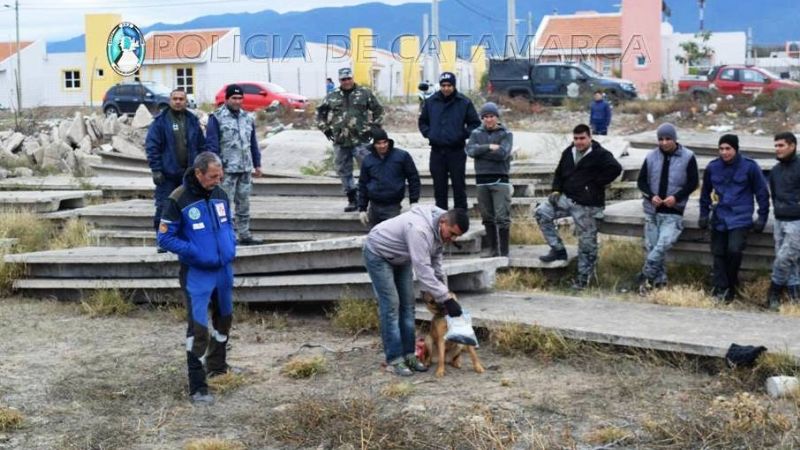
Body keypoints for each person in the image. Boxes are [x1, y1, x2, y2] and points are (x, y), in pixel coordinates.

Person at [157, 152, 237, 405]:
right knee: (199, 329)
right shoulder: (178, 199)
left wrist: (229, 245)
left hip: (223, 270)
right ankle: (197, 386)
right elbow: (164, 238)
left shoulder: (220, 194)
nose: (218, 180)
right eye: (213, 176)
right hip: (197, 274)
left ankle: (217, 366)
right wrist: (195, 251)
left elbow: (227, 226)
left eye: (220, 176)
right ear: (199, 173)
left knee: (224, 320)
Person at [363, 206, 469, 376]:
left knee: (408, 305)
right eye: (452, 233)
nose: (453, 238)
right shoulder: (420, 230)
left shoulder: (441, 231)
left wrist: (445, 295)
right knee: (391, 305)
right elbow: (423, 270)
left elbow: (437, 266)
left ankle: (409, 355)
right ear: (443, 222)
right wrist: (446, 298)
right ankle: (395, 359)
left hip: (402, 255)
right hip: (379, 253)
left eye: (457, 236)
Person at [535, 124, 622, 289]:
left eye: (582, 138)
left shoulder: (600, 154)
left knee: (587, 243)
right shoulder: (569, 152)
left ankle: (584, 280)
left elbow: (616, 169)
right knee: (541, 212)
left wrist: (595, 184)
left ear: (590, 137)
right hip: (566, 198)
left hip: (588, 205)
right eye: (576, 138)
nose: (579, 142)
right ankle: (558, 249)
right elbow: (559, 172)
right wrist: (556, 190)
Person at [699, 134, 769, 303]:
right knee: (718, 253)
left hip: (740, 217)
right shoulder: (713, 167)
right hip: (720, 216)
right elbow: (705, 193)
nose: (724, 152)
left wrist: (762, 217)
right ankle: (721, 289)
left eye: (728, 149)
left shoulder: (750, 167)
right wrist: (703, 214)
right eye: (721, 149)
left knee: (734, 250)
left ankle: (730, 285)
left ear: (736, 149)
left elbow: (762, 193)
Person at [634, 123, 699, 293]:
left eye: (668, 139)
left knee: (662, 245)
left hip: (673, 211)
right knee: (652, 247)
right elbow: (641, 182)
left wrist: (676, 197)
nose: (664, 143)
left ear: (675, 139)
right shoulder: (650, 157)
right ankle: (659, 284)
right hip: (652, 211)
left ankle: (645, 274)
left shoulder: (688, 157)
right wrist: (650, 195)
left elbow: (693, 183)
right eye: (661, 139)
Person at [316, 67, 384, 212]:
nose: (346, 81)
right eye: (343, 79)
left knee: (369, 169)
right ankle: (352, 198)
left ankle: (368, 198)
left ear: (352, 78)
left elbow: (378, 110)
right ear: (339, 80)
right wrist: (325, 128)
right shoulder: (332, 95)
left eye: (348, 78)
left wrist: (374, 128)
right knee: (343, 170)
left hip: (361, 139)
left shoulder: (364, 93)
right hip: (341, 140)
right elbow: (320, 114)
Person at [145, 88, 206, 248]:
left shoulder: (192, 120)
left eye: (181, 99)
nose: (178, 102)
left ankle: (189, 239)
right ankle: (162, 241)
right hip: (167, 175)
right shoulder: (160, 121)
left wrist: (201, 169)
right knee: (164, 207)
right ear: (170, 100)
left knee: (191, 207)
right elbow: (152, 146)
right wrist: (156, 169)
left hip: (189, 175)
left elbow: (201, 146)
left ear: (186, 101)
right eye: (175, 99)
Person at [206, 84, 264, 246]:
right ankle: (225, 237)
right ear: (227, 99)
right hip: (226, 170)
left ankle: (244, 234)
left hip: (245, 168)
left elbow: (253, 143)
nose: (237, 101)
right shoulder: (216, 117)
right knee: (223, 206)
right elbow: (212, 145)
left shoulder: (247, 118)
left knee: (244, 204)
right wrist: (216, 170)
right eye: (234, 98)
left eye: (240, 98)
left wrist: (257, 164)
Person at [418, 72, 481, 210]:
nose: (446, 88)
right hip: (437, 152)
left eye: (449, 85)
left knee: (459, 186)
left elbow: (475, 123)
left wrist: (461, 134)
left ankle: (460, 217)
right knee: (439, 187)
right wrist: (430, 134)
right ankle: (441, 219)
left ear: (454, 85)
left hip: (456, 151)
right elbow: (422, 122)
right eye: (443, 85)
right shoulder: (431, 102)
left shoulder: (464, 102)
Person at [466, 102, 514, 257]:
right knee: (487, 217)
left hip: (500, 179)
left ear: (497, 117)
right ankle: (493, 249)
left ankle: (504, 251)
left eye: (491, 116)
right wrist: (488, 147)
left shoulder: (506, 133)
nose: (488, 119)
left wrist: (482, 153)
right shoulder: (475, 133)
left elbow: (503, 154)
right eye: (485, 117)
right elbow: (470, 151)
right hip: (482, 180)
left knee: (502, 217)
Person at [357, 128, 421, 228]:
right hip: (374, 207)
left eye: (384, 142)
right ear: (374, 145)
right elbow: (363, 184)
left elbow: (413, 178)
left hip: (392, 206)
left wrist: (414, 201)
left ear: (388, 142)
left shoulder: (402, 156)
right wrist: (362, 208)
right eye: (378, 143)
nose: (382, 146)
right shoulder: (368, 160)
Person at [768, 132, 800, 310]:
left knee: (784, 258)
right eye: (776, 146)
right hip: (779, 220)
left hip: (797, 221)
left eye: (781, 145)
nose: (777, 149)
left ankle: (773, 291)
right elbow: (773, 194)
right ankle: (795, 300)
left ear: (792, 146)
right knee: (792, 262)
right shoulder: (775, 171)